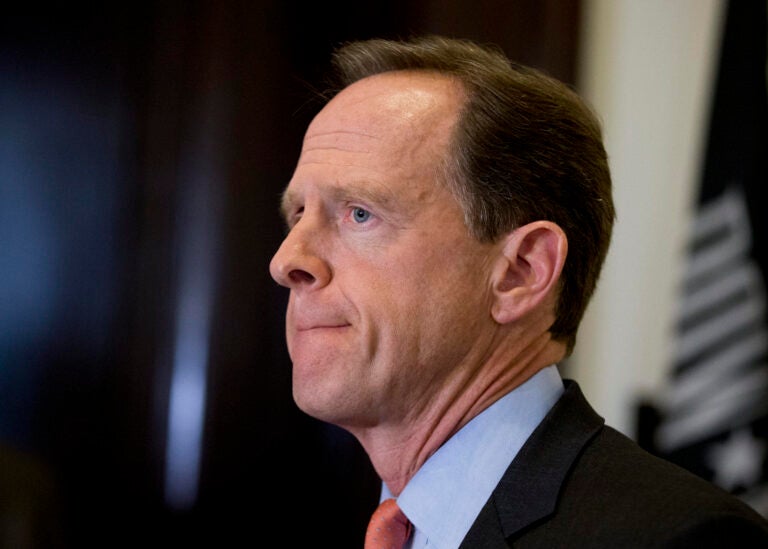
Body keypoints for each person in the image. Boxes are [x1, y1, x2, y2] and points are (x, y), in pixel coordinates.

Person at [268, 35, 768, 548]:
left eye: (359, 213)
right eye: (298, 214)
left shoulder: (681, 539)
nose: (286, 261)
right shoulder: (327, 520)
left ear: (521, 272)